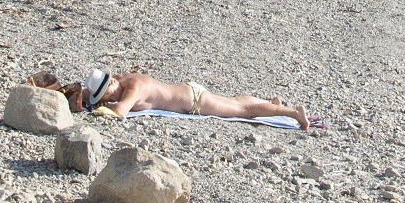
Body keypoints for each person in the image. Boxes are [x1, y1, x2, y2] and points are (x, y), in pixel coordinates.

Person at [32, 67, 317, 130]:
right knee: (236, 100)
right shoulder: (126, 78)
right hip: (188, 92)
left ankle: (293, 113)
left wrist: (96, 110)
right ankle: (273, 103)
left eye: (103, 94)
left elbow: (120, 112)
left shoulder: (131, 91)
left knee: (241, 111)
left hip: (194, 102)